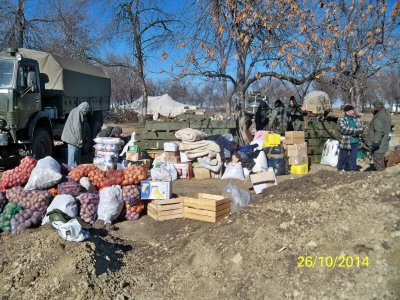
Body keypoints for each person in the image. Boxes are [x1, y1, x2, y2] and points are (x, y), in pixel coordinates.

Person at [337, 104, 365, 172]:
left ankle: (353, 169)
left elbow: (361, 128)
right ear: (347, 112)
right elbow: (344, 129)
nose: (353, 112)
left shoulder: (356, 119)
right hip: (345, 142)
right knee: (343, 157)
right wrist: (356, 131)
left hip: (355, 141)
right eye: (351, 110)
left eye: (353, 110)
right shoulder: (341, 119)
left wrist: (356, 130)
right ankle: (340, 168)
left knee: (353, 157)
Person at [365, 101, 392, 171]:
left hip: (378, 146)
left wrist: (375, 143)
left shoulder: (379, 117)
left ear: (377, 107)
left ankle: (381, 177)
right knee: (379, 162)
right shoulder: (384, 114)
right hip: (382, 143)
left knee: (379, 164)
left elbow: (379, 131)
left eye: (373, 107)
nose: (372, 108)